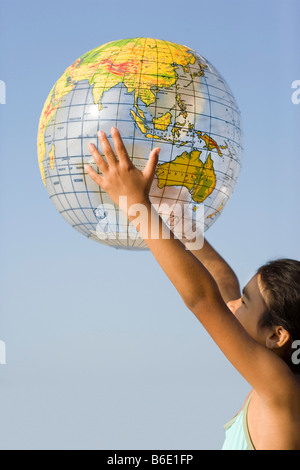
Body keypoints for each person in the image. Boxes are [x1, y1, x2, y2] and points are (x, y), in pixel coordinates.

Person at [85, 127, 300, 450]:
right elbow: (220, 282)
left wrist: (136, 207)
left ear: (276, 336)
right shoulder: (275, 384)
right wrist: (182, 225)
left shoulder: (281, 390)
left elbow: (203, 299)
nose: (232, 304)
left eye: (244, 302)